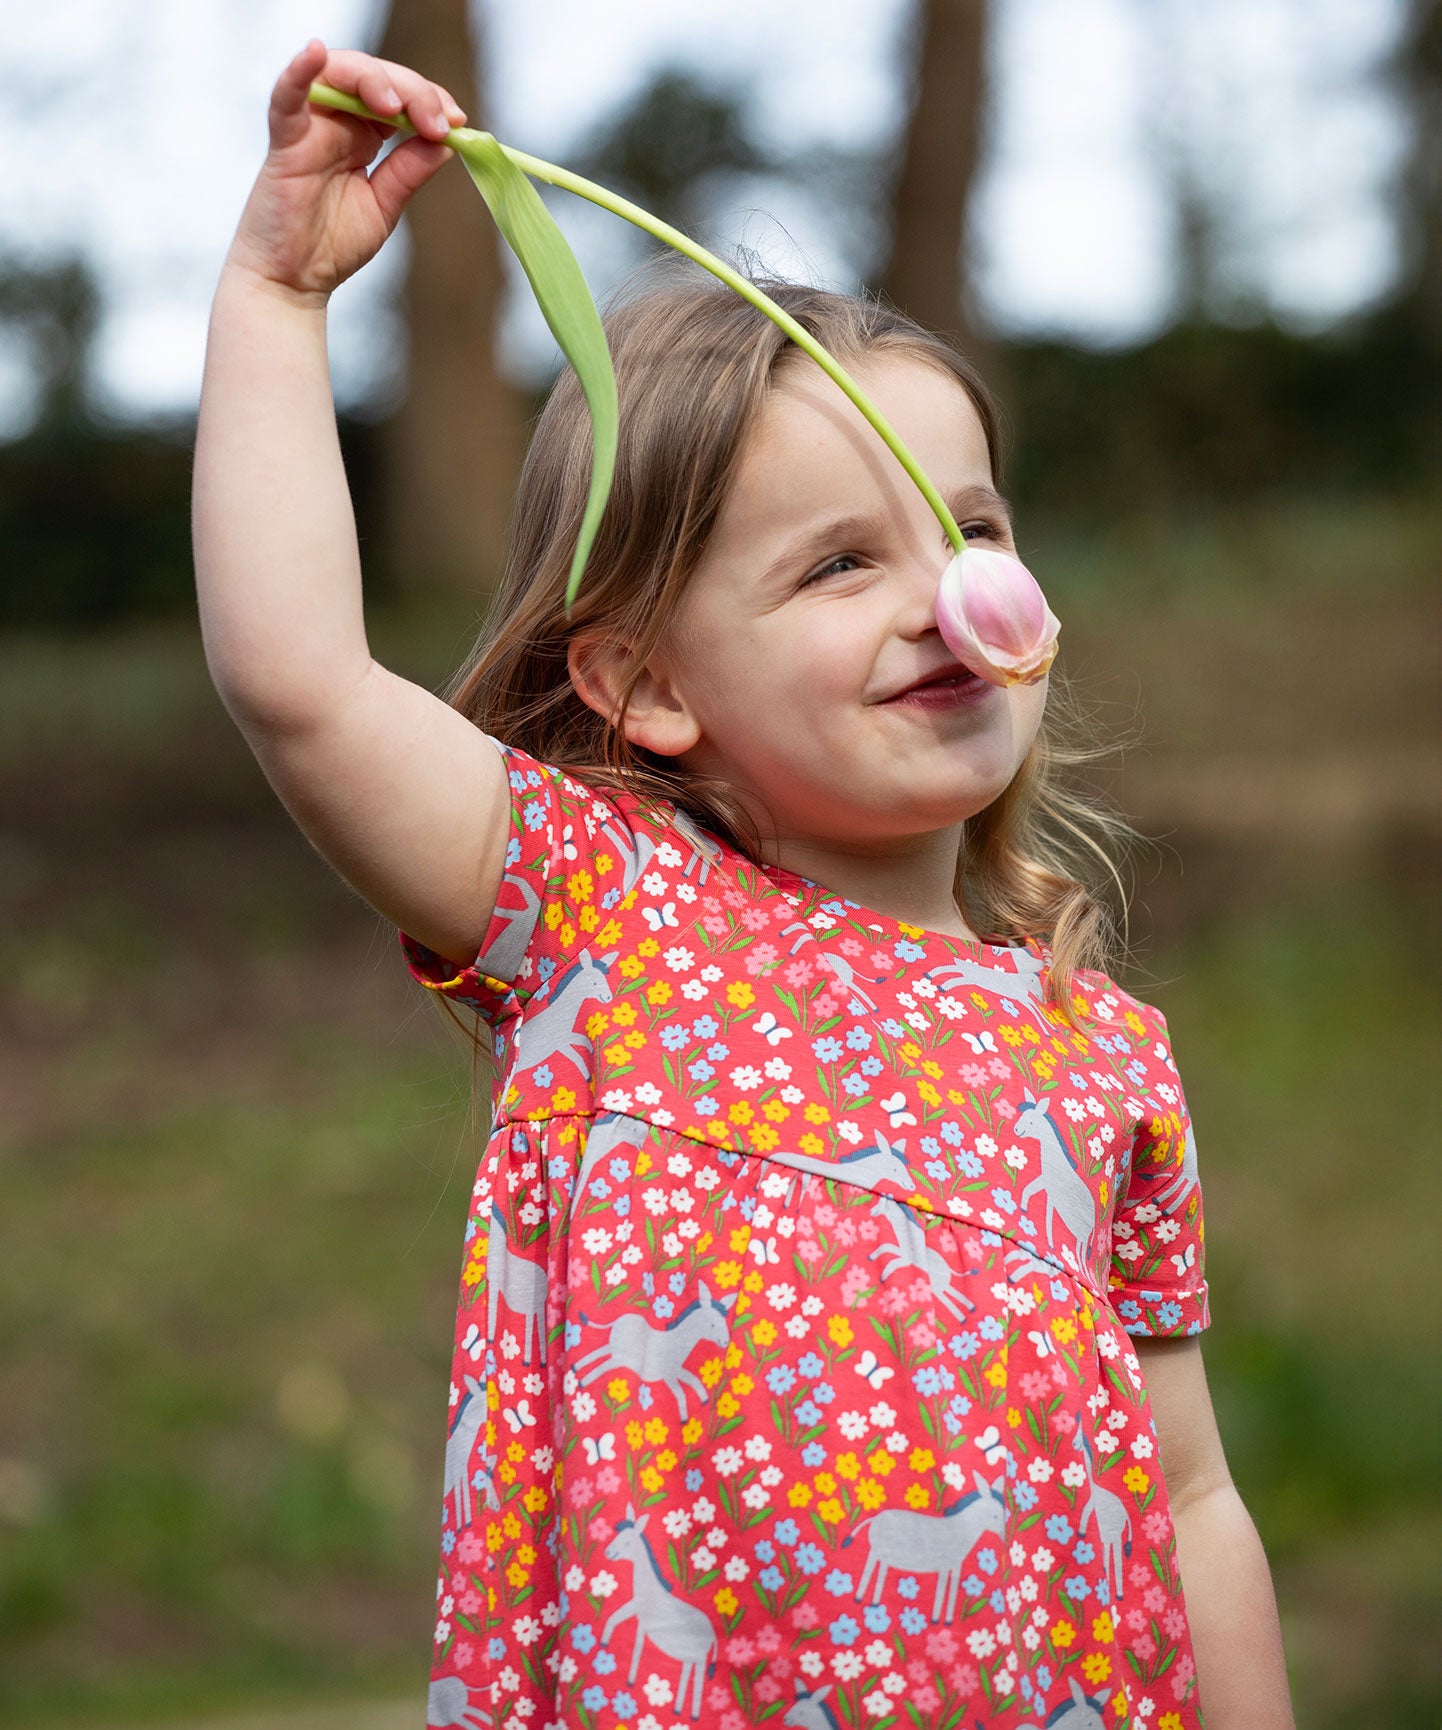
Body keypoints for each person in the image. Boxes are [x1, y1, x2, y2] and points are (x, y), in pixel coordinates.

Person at [193, 40, 1296, 1730]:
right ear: (644, 682)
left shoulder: (1099, 1052)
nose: (950, 598)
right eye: (842, 562)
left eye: (971, 529)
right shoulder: (601, 919)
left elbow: (1194, 1493)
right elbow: (304, 684)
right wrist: (277, 298)